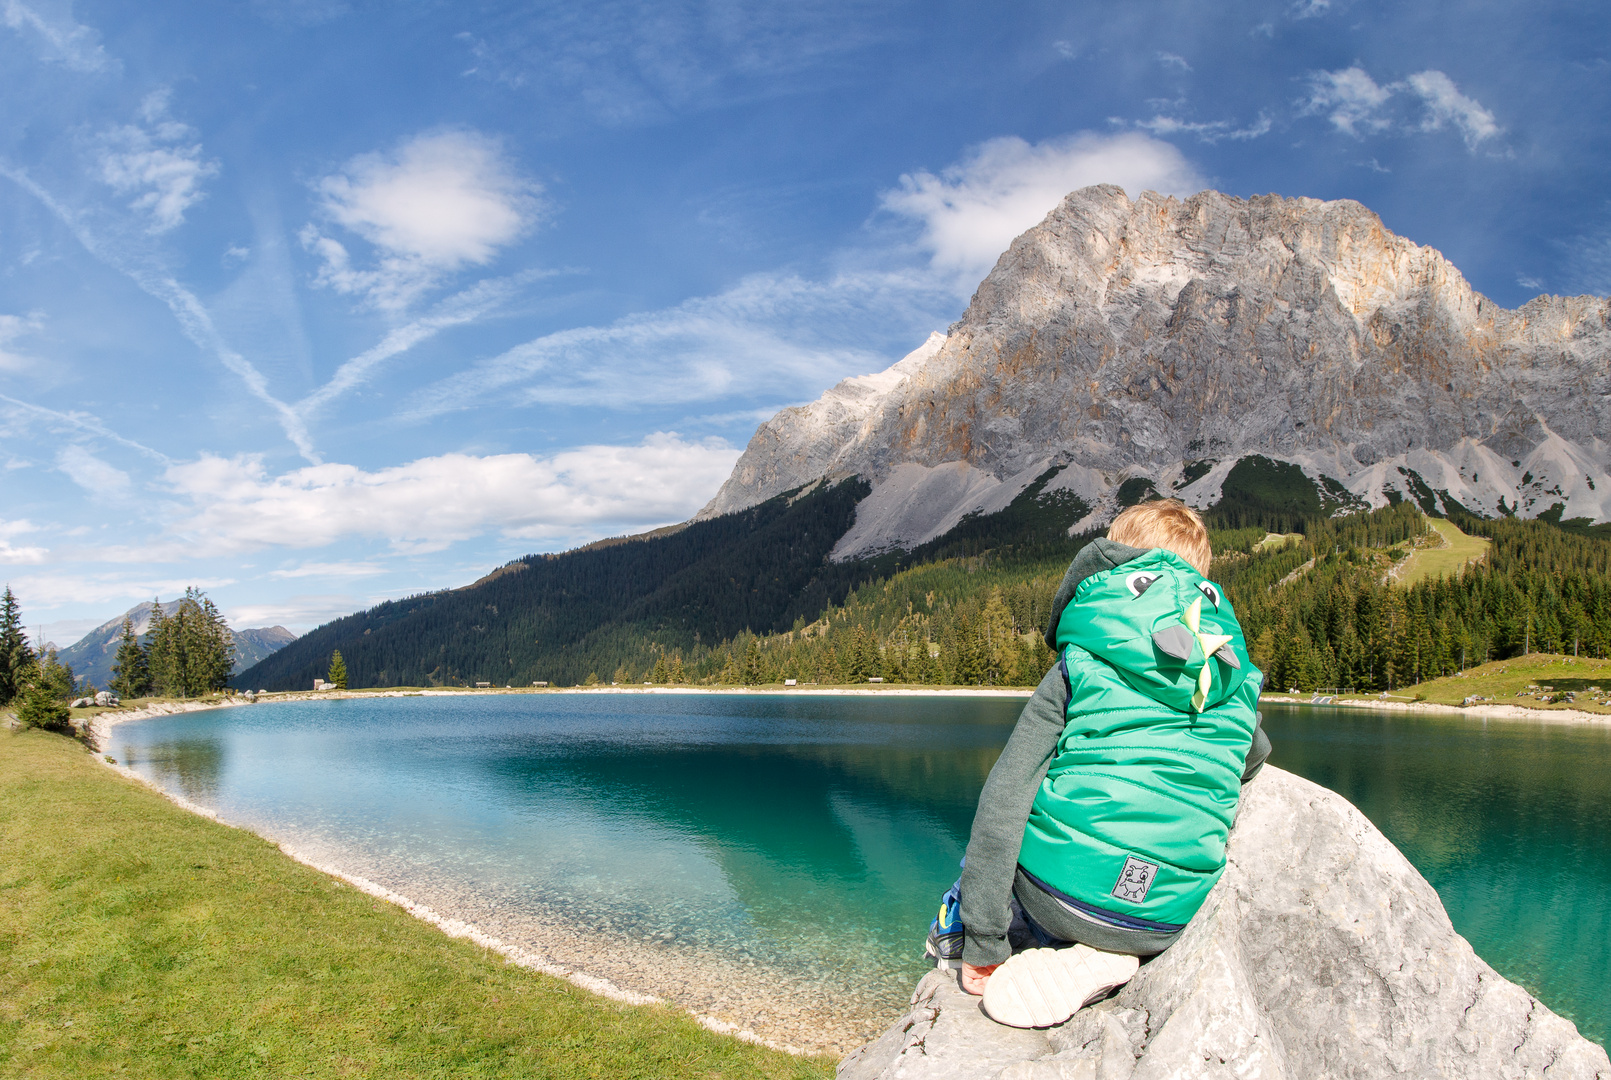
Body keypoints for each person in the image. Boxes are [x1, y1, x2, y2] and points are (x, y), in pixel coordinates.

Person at [926, 499, 1271, 1028]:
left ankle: (994, 937)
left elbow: (1005, 798)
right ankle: (1115, 948)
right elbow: (1255, 758)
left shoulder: (1080, 661)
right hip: (1165, 915)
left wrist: (983, 941)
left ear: (1114, 563)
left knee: (979, 866)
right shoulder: (1232, 676)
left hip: (1061, 897)